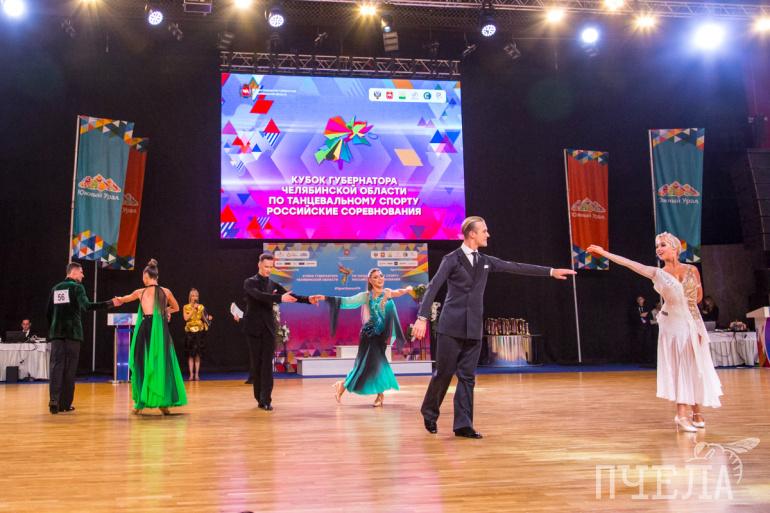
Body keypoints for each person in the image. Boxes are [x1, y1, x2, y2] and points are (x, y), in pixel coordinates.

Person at [411, 216, 575, 438]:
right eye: (484, 231)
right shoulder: (452, 259)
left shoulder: (485, 261)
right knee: (444, 373)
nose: (488, 235)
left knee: (467, 377)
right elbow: (432, 287)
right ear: (472, 234)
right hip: (450, 327)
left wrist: (550, 271)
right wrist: (422, 317)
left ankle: (463, 425)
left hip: (474, 328)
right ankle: (429, 412)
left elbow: (514, 266)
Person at [588, 233, 723, 432]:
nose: (658, 249)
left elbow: (697, 298)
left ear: (675, 248)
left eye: (663, 245)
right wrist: (604, 253)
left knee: (695, 365)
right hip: (673, 324)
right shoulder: (658, 273)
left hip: (693, 322)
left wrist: (695, 322)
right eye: (657, 246)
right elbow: (629, 263)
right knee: (681, 365)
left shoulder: (692, 270)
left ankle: (696, 411)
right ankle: (681, 414)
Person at [318, 269, 411, 407]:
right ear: (370, 280)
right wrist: (326, 298)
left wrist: (408, 289)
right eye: (375, 277)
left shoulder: (388, 292)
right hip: (369, 335)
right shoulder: (366, 296)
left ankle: (342, 385)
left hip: (381, 336)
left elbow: (400, 292)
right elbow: (347, 301)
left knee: (370, 365)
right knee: (372, 364)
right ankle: (379, 395)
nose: (380, 279)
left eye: (381, 276)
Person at [242, 253, 322, 411]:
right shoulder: (249, 282)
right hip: (253, 328)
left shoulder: (272, 283)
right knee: (257, 364)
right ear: (259, 265)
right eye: (266, 267)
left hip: (268, 328)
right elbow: (260, 296)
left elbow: (290, 296)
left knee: (267, 364)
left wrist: (308, 299)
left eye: (271, 267)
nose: (268, 270)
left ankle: (266, 399)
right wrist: (279, 298)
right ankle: (259, 397)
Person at [46, 262, 119, 414]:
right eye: (81, 272)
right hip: (72, 334)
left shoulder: (55, 288)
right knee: (69, 369)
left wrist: (54, 328)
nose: (83, 275)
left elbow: (49, 312)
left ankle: (54, 400)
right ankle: (65, 404)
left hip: (57, 334)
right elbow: (87, 306)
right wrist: (109, 303)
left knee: (56, 367)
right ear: (73, 272)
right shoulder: (77, 287)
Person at [115, 259, 187, 415]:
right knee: (156, 362)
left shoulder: (142, 292)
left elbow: (125, 299)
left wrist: (118, 300)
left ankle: (155, 402)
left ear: (146, 276)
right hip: (155, 329)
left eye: (143, 276)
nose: (143, 278)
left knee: (151, 362)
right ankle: (149, 403)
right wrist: (165, 311)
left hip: (153, 329)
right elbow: (176, 307)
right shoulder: (164, 291)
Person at [183, 288, 212, 381]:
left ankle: (196, 374)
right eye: (193, 295)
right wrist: (193, 309)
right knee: (190, 354)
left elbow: (204, 318)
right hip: (190, 332)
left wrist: (208, 318)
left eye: (196, 296)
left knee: (197, 354)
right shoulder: (186, 307)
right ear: (190, 297)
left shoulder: (201, 307)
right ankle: (191, 374)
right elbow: (186, 318)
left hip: (199, 332)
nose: (195, 297)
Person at [629, 295, 651, 363]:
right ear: (637, 301)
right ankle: (639, 359)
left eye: (641, 299)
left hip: (647, 328)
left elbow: (650, 316)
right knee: (639, 343)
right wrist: (639, 315)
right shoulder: (634, 308)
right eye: (638, 299)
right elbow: (632, 317)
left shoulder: (647, 308)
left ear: (644, 300)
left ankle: (647, 359)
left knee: (647, 343)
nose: (640, 300)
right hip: (639, 328)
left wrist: (645, 316)